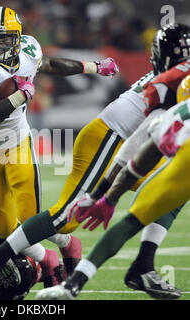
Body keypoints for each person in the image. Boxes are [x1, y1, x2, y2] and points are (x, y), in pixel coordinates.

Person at [0, 23, 190, 299]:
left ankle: (143, 265)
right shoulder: (173, 82)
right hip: (109, 139)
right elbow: (140, 138)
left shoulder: (175, 78)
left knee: (171, 190)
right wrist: (104, 191)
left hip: (125, 142)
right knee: (66, 216)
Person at [0, 6, 118, 285]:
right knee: (4, 226)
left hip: (16, 141)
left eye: (5, 39)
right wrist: (21, 96)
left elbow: (50, 65)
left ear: (18, 38)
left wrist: (93, 67)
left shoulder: (29, 48)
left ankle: (67, 244)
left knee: (30, 216)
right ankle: (48, 259)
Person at [35, 74, 190, 300]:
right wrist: (106, 198)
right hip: (176, 165)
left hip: (175, 162)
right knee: (147, 211)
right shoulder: (168, 112)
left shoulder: (169, 114)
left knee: (131, 221)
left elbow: (135, 164)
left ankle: (73, 285)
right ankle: (140, 266)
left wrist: (107, 198)